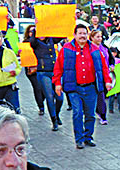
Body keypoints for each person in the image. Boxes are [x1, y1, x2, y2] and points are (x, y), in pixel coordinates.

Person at [54, 21, 112, 149]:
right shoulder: (66, 49)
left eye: (85, 33)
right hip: (74, 88)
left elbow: (103, 68)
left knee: (90, 114)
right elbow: (58, 67)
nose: (82, 36)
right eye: (80, 33)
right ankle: (79, 139)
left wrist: (107, 81)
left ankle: (88, 137)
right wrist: (57, 83)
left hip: (91, 87)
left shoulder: (95, 49)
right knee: (77, 113)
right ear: (74, 35)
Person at [26, 26, 62, 131]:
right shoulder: (35, 42)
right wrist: (36, 28)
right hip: (43, 73)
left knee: (60, 98)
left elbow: (62, 34)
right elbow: (31, 41)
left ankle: (57, 113)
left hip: (55, 72)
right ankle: (54, 120)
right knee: (50, 97)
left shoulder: (51, 39)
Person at [90, 28, 113, 124]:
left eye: (101, 37)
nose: (100, 39)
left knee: (101, 96)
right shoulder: (88, 48)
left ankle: (103, 115)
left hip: (103, 75)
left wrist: (112, 66)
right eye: (97, 37)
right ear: (92, 38)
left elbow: (111, 59)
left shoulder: (105, 48)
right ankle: (95, 112)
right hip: (92, 76)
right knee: (92, 96)